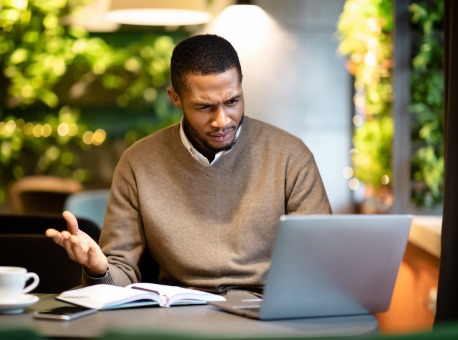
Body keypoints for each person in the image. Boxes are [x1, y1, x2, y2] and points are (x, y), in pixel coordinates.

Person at [47, 34, 332, 294]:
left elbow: (323, 259)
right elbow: (121, 274)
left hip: (269, 306)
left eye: (233, 101)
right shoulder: (138, 163)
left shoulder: (290, 155)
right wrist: (99, 269)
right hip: (178, 312)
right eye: (204, 107)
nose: (222, 120)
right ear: (176, 99)